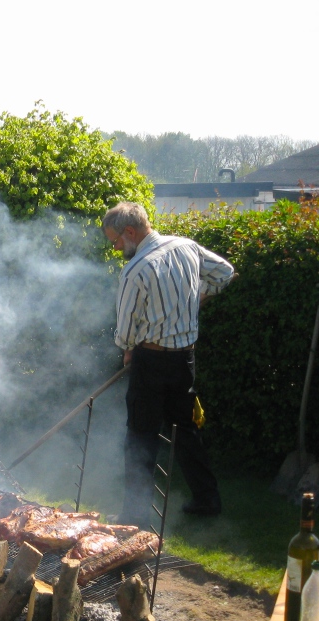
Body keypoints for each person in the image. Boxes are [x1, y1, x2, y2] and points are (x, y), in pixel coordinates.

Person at [102, 201, 235, 527]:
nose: (116, 248)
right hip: (185, 360)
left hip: (151, 361)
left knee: (140, 436)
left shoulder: (136, 270)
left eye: (115, 241)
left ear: (129, 231)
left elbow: (126, 329)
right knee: (185, 430)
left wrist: (128, 349)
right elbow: (225, 272)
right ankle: (207, 500)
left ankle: (134, 516)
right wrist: (197, 297)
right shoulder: (187, 246)